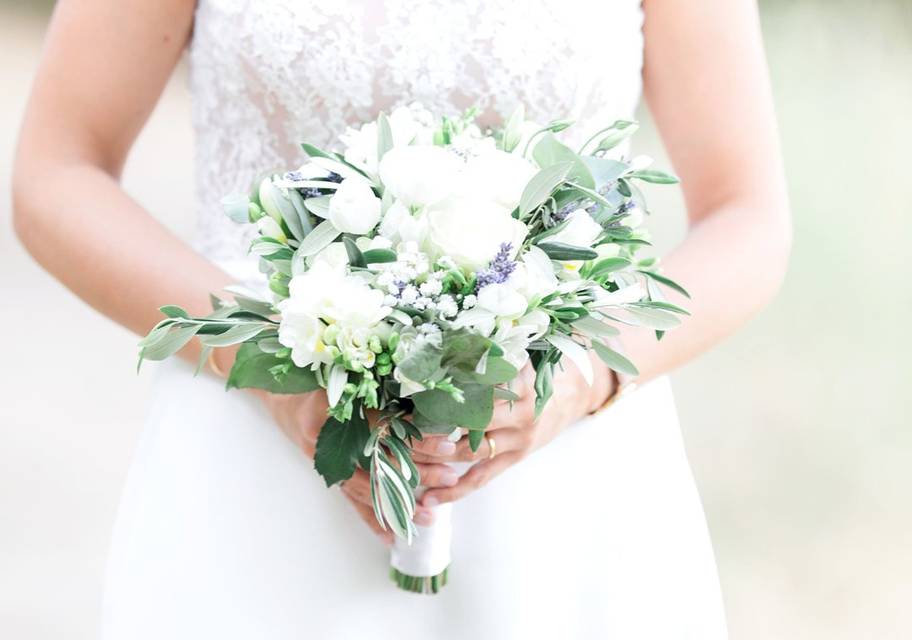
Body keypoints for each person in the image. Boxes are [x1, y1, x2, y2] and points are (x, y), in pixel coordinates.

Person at [12, 1, 790, 638]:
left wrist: (581, 379)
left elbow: (747, 214)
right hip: (254, 469)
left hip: (563, 492)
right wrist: (269, 371)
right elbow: (57, 172)